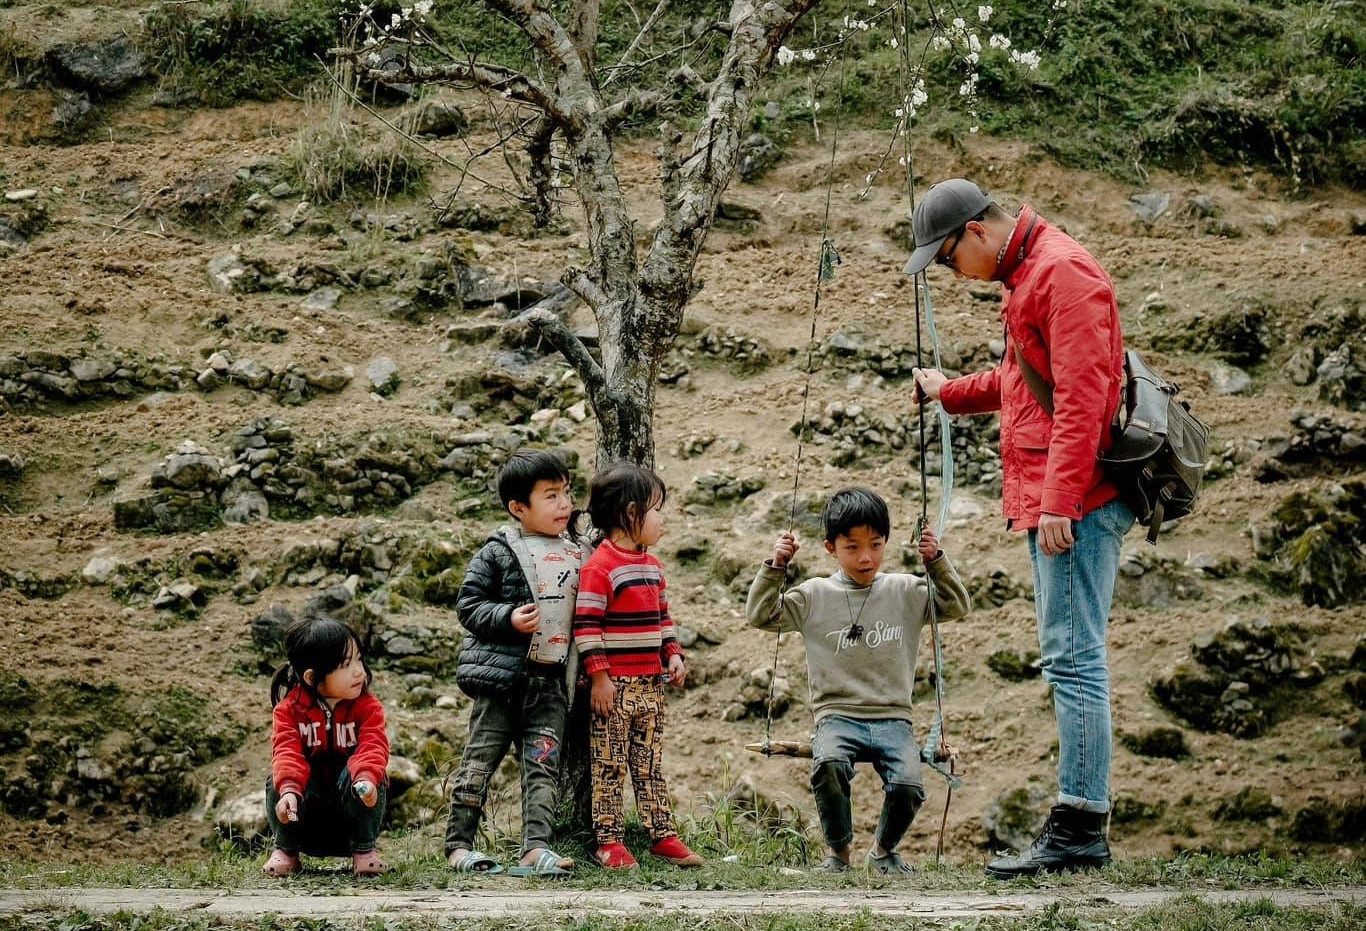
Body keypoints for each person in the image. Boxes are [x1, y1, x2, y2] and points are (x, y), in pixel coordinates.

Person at [905, 177, 1134, 878]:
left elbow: (1084, 398)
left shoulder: (1059, 273)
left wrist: (1061, 501)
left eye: (945, 259)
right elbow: (1023, 384)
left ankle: (1080, 828)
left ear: (976, 232)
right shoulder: (1029, 274)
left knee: (1074, 657)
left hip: (1076, 501)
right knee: (1072, 655)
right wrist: (949, 391)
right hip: (1062, 496)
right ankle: (1078, 824)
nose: (950, 274)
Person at [746, 487, 970, 874]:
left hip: (893, 717)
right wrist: (775, 566)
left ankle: (883, 850)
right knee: (828, 763)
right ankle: (839, 853)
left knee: (908, 785)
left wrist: (936, 562)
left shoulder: (907, 590)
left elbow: (956, 605)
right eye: (852, 547)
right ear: (831, 547)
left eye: (876, 544)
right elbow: (761, 615)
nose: (866, 557)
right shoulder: (814, 595)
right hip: (836, 715)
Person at [445, 448, 583, 877]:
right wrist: (506, 618)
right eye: (551, 495)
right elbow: (468, 605)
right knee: (478, 763)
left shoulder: (579, 552)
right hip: (502, 683)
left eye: (566, 493)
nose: (564, 504)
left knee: (543, 766)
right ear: (518, 507)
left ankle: (535, 848)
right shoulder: (499, 551)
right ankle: (458, 845)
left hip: (551, 683)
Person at [573, 462, 703, 870]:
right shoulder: (600, 566)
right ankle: (608, 840)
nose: (663, 518)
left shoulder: (653, 567)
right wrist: (599, 678)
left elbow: (663, 620)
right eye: (657, 509)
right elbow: (587, 625)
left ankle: (661, 834)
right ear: (631, 514)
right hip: (614, 689)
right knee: (609, 765)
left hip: (650, 686)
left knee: (648, 764)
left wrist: (674, 655)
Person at [263, 615, 389, 877]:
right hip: (306, 822)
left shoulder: (368, 707)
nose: (358, 671)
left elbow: (373, 746)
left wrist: (366, 779)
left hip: (351, 824)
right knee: (279, 778)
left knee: (371, 775)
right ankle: (286, 851)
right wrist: (288, 792)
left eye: (358, 659)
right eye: (345, 664)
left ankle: (365, 851)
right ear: (312, 677)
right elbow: (287, 754)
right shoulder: (288, 712)